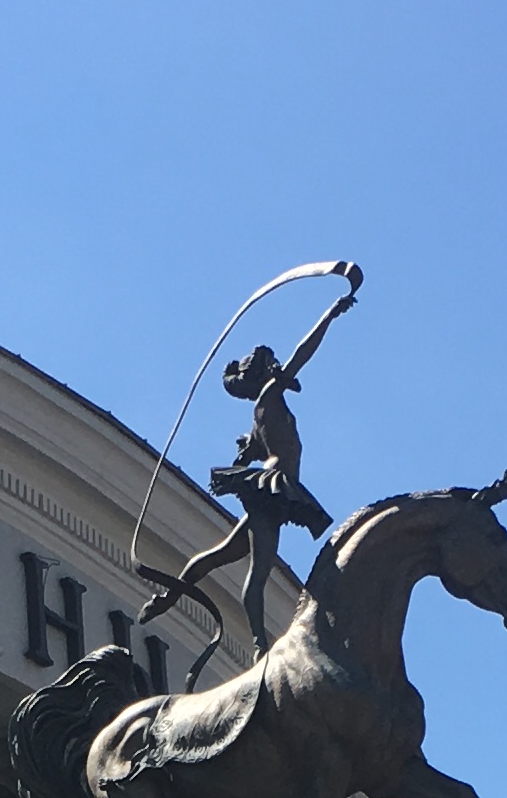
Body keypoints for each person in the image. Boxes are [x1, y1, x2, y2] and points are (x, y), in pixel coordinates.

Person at [138, 260, 363, 652]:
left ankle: (169, 596)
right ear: (264, 374)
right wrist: (330, 315)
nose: (280, 369)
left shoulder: (261, 416)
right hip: (274, 488)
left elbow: (250, 453)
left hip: (272, 487)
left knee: (223, 554)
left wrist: (244, 456)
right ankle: (260, 643)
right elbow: (303, 353)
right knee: (259, 572)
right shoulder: (268, 398)